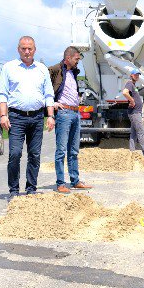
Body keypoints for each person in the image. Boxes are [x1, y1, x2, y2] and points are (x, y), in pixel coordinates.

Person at [0, 36, 55, 199]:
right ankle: (14, 190)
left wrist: (50, 116)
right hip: (16, 116)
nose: (27, 52)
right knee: (15, 153)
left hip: (37, 118)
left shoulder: (42, 69)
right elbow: (2, 93)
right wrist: (3, 115)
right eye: (24, 48)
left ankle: (31, 189)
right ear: (18, 49)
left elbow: (48, 94)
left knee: (35, 154)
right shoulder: (9, 67)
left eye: (30, 48)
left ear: (35, 50)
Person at [48, 46, 92, 193]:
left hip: (75, 113)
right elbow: (43, 88)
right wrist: (51, 103)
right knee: (61, 150)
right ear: (68, 58)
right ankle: (60, 183)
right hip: (63, 113)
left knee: (73, 150)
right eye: (76, 58)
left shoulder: (73, 72)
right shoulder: (55, 70)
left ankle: (75, 180)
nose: (78, 61)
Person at [122, 68, 144, 159]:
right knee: (140, 132)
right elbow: (124, 92)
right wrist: (132, 101)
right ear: (131, 75)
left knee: (134, 133)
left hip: (136, 112)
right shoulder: (129, 83)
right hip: (135, 113)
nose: (137, 76)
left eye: (138, 75)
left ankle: (132, 152)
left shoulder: (133, 85)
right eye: (135, 74)